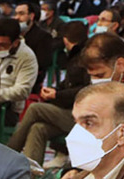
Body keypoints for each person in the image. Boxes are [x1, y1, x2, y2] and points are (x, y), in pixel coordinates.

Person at [7, 20, 90, 166]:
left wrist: (57, 95)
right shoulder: (76, 57)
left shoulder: (85, 59)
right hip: (71, 111)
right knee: (38, 128)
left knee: (35, 109)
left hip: (81, 116)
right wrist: (55, 91)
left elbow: (85, 90)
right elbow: (70, 85)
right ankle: (30, 174)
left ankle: (8, 154)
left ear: (65, 39)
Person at [0, 18, 38, 126]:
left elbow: (22, 90)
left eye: (3, 45)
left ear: (15, 42)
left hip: (6, 107)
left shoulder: (27, 57)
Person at [14, 2, 53, 91]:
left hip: (30, 78)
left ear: (31, 16)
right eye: (16, 14)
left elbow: (43, 63)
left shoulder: (43, 36)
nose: (17, 18)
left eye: (21, 14)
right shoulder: (13, 34)